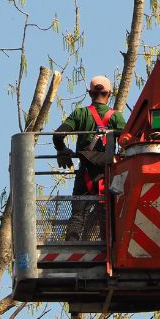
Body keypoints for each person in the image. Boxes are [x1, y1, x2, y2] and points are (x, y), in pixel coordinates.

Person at [52, 75, 126, 240]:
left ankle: (72, 242)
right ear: (109, 93)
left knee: (78, 213)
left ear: (90, 93)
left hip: (85, 172)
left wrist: (62, 150)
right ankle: (108, 245)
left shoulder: (80, 114)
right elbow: (129, 141)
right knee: (106, 211)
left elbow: (57, 136)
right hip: (107, 172)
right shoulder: (115, 117)